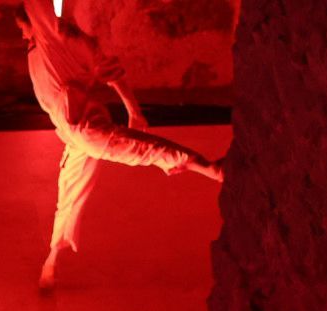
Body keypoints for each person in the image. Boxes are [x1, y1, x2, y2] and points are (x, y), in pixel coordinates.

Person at [16, 1, 224, 291]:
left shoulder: (56, 38)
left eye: (23, 28)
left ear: (35, 20)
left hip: (86, 131)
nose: (23, 36)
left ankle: (213, 170)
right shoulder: (39, 48)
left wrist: (133, 110)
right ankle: (51, 260)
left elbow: (107, 69)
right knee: (68, 195)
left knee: (142, 149)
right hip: (73, 137)